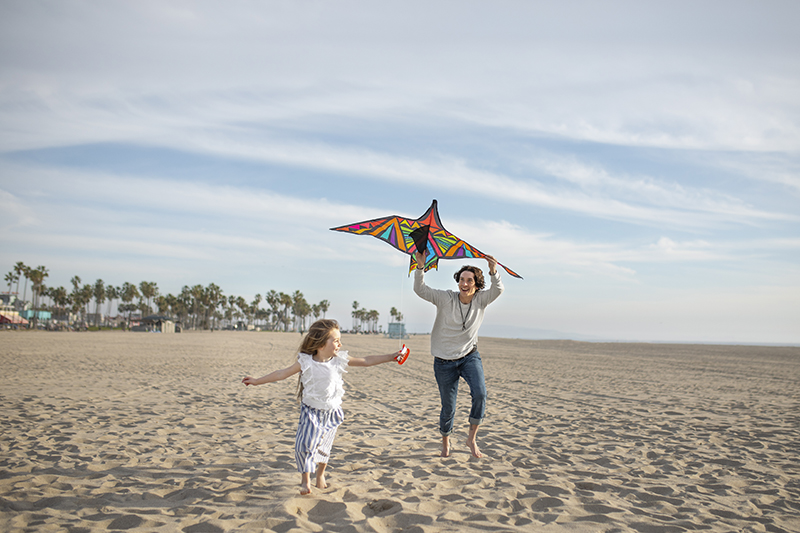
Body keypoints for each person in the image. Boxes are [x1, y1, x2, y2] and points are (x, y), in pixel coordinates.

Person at [242, 318, 407, 495]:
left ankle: (320, 474)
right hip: (310, 411)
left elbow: (366, 360)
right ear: (320, 344)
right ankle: (305, 481)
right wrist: (257, 381)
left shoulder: (339, 360)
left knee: (324, 446)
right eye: (335, 340)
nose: (340, 344)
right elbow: (282, 373)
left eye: (339, 340)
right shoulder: (306, 362)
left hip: (332, 411)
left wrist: (391, 356)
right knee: (304, 444)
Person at [413, 250, 504, 459]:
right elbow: (421, 290)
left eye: (469, 280)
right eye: (462, 279)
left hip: (469, 357)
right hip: (444, 361)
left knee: (480, 394)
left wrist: (493, 271)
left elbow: (498, 289)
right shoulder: (445, 298)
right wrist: (420, 267)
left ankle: (471, 439)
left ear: (477, 284)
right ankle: (446, 441)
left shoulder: (481, 300)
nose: (464, 284)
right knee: (448, 406)